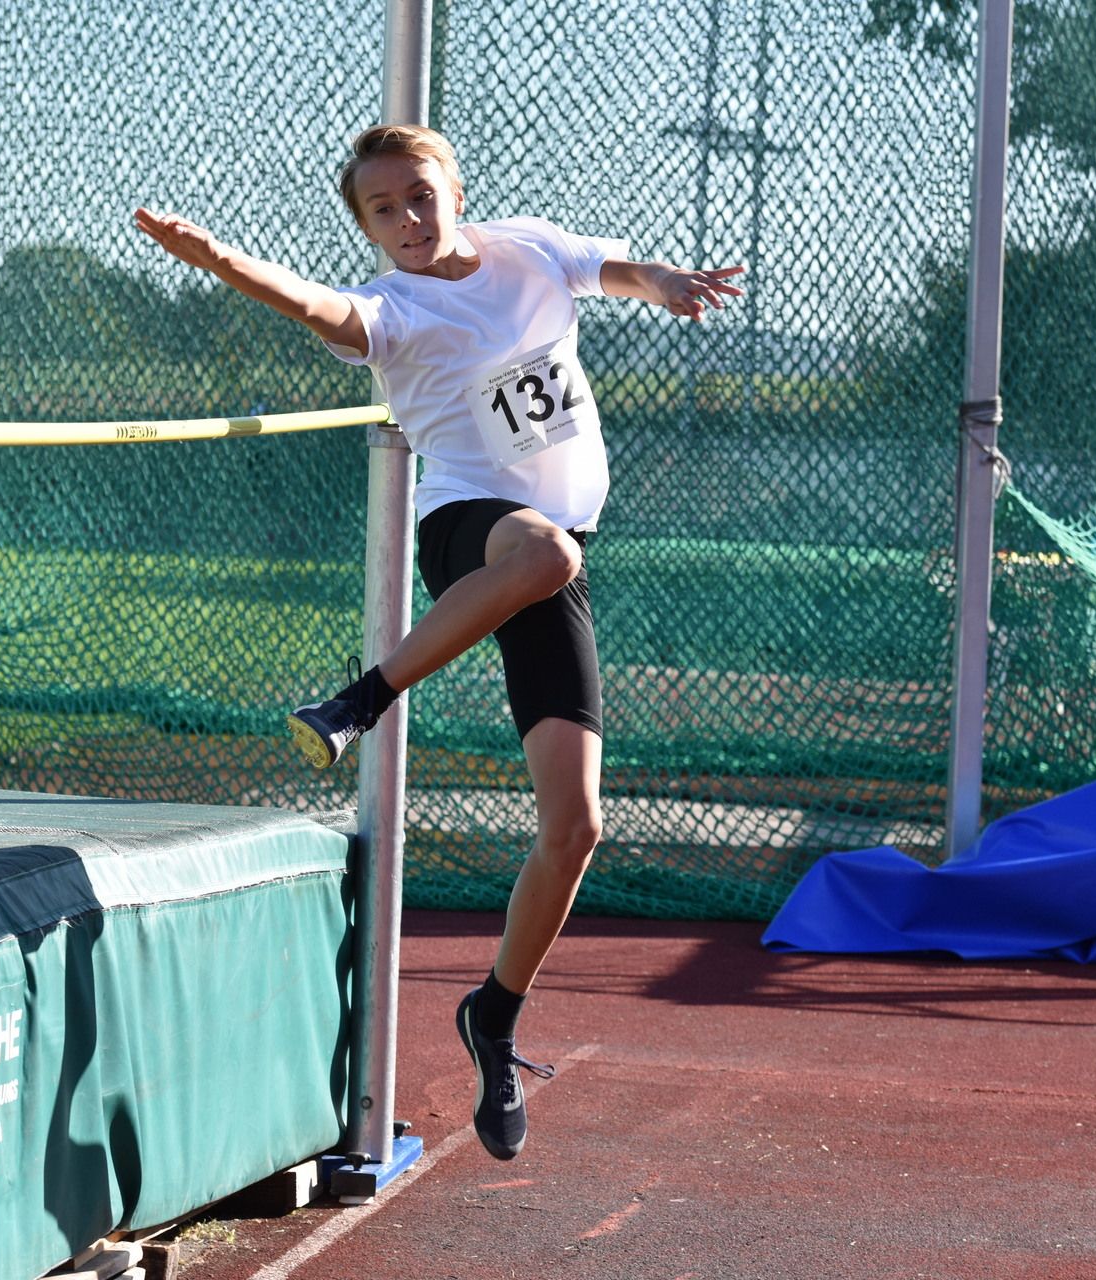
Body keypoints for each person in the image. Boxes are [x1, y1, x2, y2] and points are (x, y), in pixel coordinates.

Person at [136, 124, 742, 1161]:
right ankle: (359, 700)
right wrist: (221, 259)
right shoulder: (394, 309)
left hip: (551, 557)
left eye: (420, 195)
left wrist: (665, 283)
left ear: (454, 190)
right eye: (384, 210)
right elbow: (316, 306)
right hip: (472, 529)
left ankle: (493, 1013)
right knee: (546, 552)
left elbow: (617, 270)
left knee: (577, 826)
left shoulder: (528, 249)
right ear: (368, 228)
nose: (408, 219)